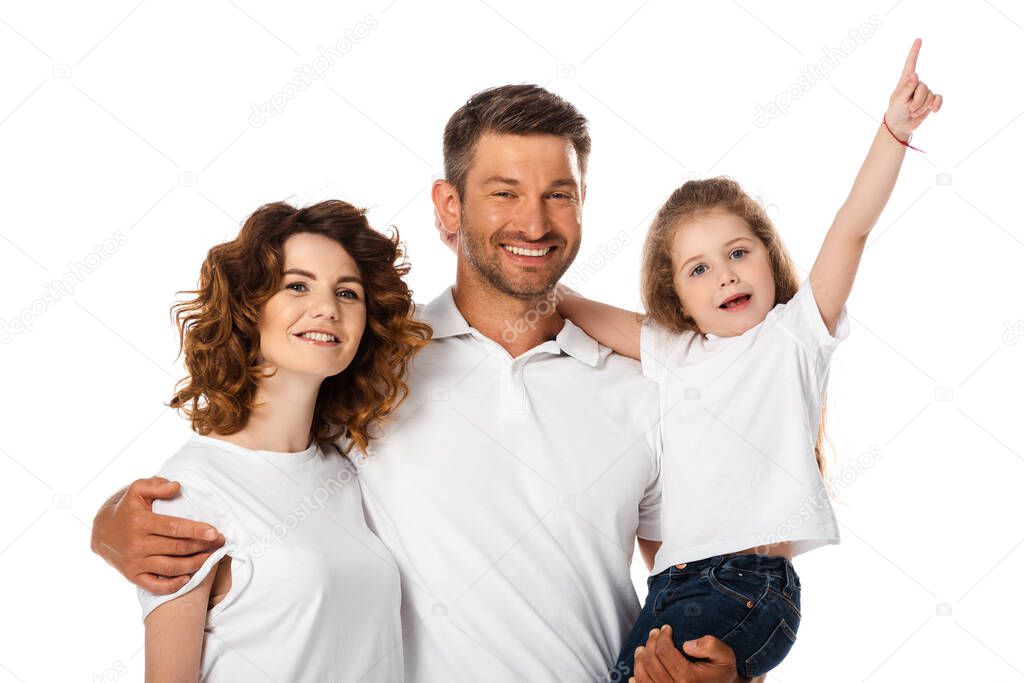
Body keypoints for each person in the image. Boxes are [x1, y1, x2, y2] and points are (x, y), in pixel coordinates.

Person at [93, 85, 757, 682]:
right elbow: (248, 456)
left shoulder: (643, 387)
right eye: (504, 192)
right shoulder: (365, 366)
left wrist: (732, 671)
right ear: (449, 206)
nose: (534, 222)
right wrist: (111, 519)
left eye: (559, 194)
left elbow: (716, 584)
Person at [555, 40, 941, 679]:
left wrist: (893, 133)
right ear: (674, 293)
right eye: (698, 268)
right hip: (670, 586)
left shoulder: (795, 335)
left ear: (768, 255)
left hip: (749, 582)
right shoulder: (675, 351)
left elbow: (851, 227)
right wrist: (540, 280)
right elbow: (587, 312)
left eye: (739, 253)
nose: (725, 277)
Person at [136, 199, 430, 681]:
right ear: (249, 309)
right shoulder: (190, 491)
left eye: (348, 293)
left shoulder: (347, 471)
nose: (327, 309)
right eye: (297, 286)